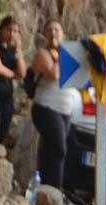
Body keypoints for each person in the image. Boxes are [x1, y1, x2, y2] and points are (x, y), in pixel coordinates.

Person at [29, 20, 80, 190]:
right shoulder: (42, 53)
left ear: (63, 34)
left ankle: (45, 190)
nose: (53, 33)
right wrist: (62, 54)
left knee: (51, 150)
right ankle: (54, 191)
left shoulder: (68, 55)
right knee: (59, 149)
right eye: (49, 30)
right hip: (46, 107)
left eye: (57, 29)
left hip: (65, 109)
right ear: (44, 35)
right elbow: (54, 74)